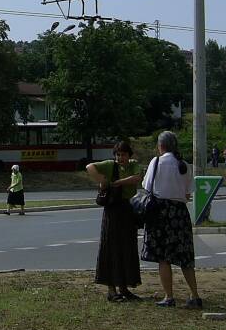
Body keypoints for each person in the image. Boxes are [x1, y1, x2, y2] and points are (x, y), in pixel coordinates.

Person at [141, 130, 201, 308]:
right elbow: (188, 194)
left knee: (163, 257)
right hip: (180, 213)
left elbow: (147, 186)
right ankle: (195, 295)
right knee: (185, 257)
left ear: (161, 146)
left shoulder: (156, 162)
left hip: (160, 213)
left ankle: (169, 296)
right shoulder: (184, 165)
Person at [86, 140, 144, 302]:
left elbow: (137, 178)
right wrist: (102, 180)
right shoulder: (110, 165)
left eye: (123, 155)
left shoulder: (133, 165)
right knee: (110, 248)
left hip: (128, 210)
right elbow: (89, 167)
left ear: (129, 155)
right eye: (118, 155)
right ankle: (111, 290)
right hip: (112, 210)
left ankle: (124, 287)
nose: (120, 158)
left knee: (127, 248)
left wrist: (118, 182)